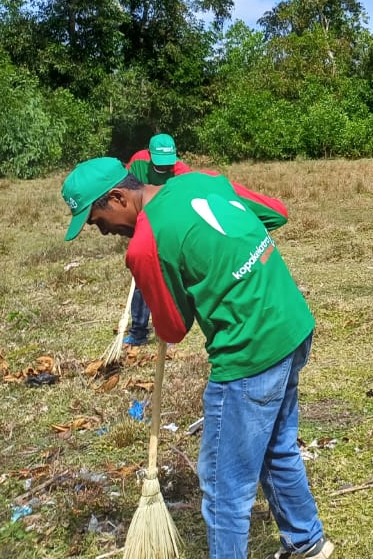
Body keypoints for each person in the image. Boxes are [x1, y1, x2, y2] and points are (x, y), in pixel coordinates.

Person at [60, 157, 333, 559]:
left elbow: (172, 330)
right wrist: (227, 257)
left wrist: (173, 275)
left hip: (249, 353)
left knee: (224, 485)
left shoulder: (144, 245)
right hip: (292, 323)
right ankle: (306, 540)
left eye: (97, 221)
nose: (102, 232)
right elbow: (275, 213)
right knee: (276, 445)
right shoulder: (202, 181)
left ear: (118, 197)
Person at [120, 133, 193, 347]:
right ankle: (138, 331)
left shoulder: (181, 171)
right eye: (159, 164)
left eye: (167, 163)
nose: (164, 168)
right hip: (143, 221)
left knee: (168, 278)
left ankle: (170, 330)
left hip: (169, 225)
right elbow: (127, 193)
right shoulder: (138, 163)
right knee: (142, 280)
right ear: (150, 155)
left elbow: (185, 204)